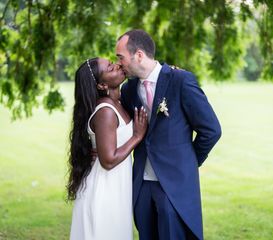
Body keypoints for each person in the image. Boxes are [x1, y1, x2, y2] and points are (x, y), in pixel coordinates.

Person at [116, 29, 222, 240]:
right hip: (142, 185)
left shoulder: (180, 81)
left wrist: (189, 162)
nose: (118, 63)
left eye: (121, 57)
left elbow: (211, 130)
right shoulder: (128, 90)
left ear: (138, 55)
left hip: (173, 186)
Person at [67, 57, 147, 240]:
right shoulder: (105, 111)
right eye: (111, 68)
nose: (117, 65)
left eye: (113, 62)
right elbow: (108, 160)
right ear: (102, 85)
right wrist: (137, 136)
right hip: (103, 192)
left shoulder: (117, 103)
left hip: (115, 188)